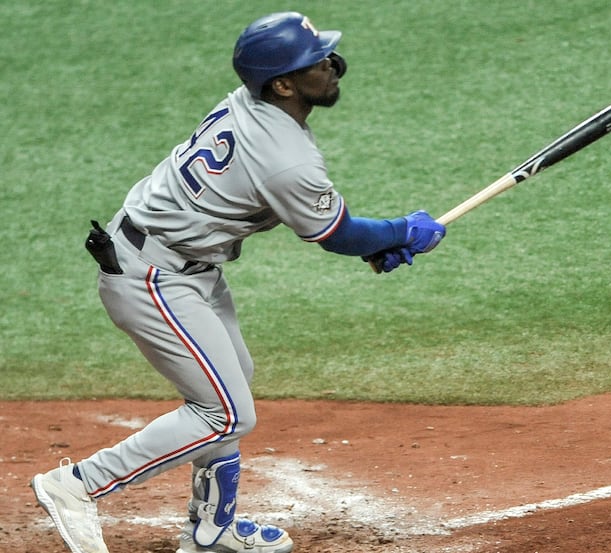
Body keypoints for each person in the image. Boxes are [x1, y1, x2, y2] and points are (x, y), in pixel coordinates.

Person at [31, 11, 445, 553]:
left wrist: (379, 244)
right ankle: (75, 485)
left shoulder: (251, 100)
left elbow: (332, 230)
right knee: (225, 410)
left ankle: (213, 531)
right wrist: (400, 232)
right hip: (153, 276)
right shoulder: (285, 160)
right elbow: (335, 233)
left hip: (180, 262)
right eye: (316, 61)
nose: (333, 65)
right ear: (283, 84)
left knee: (231, 384)